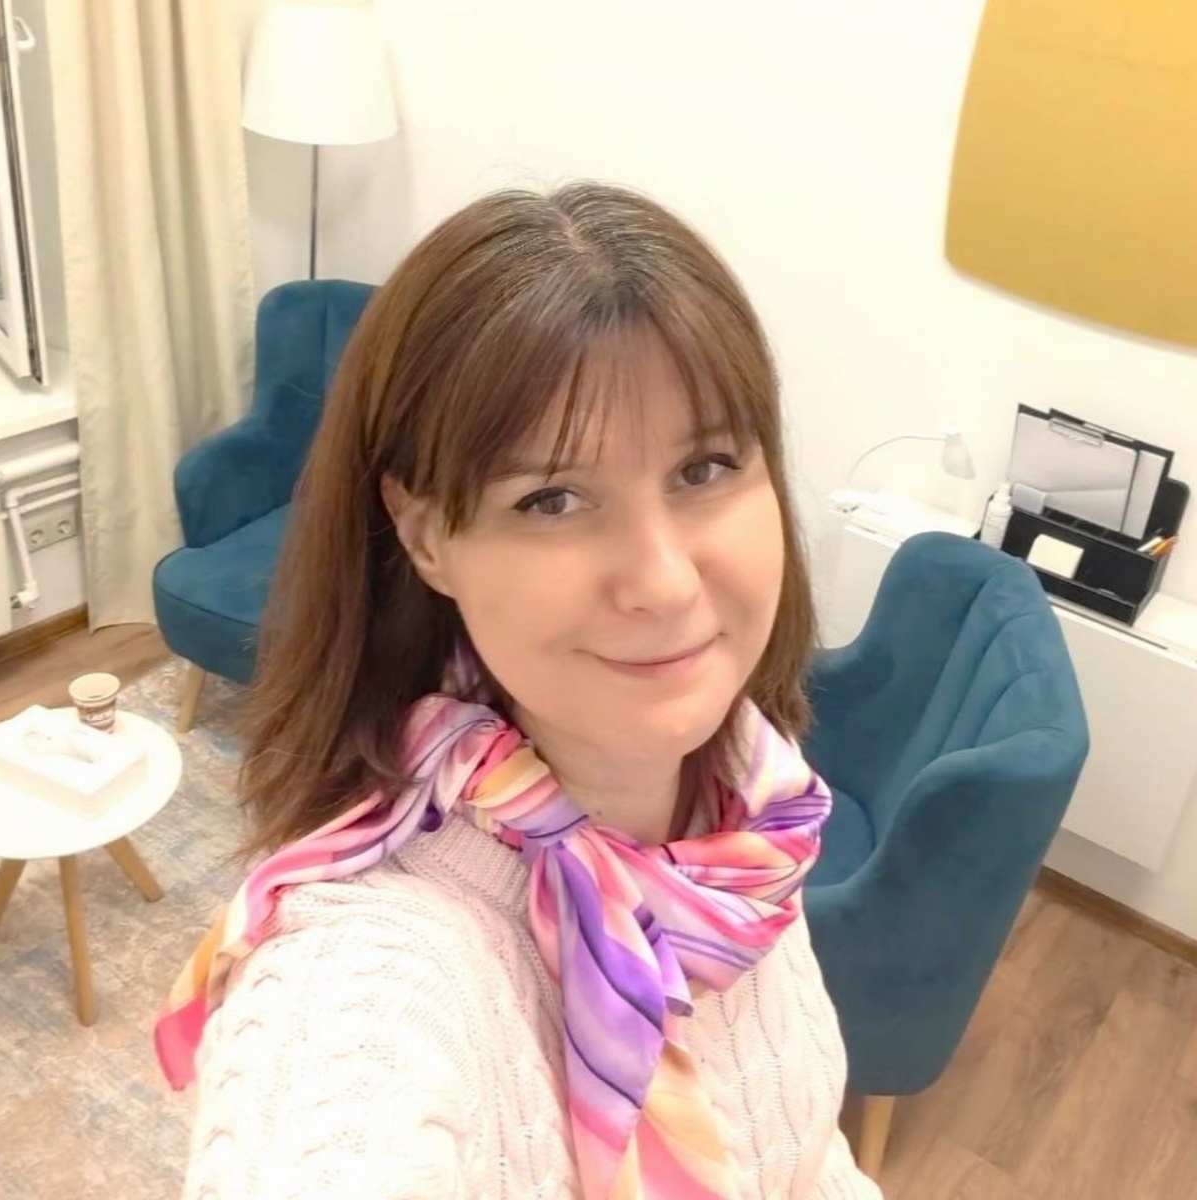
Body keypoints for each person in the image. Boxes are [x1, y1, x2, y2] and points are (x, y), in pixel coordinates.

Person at [156, 181, 883, 1200]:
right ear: (425, 536)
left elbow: (809, 1156)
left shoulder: (757, 813)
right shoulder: (371, 980)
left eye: (705, 467)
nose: (665, 580)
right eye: (553, 498)